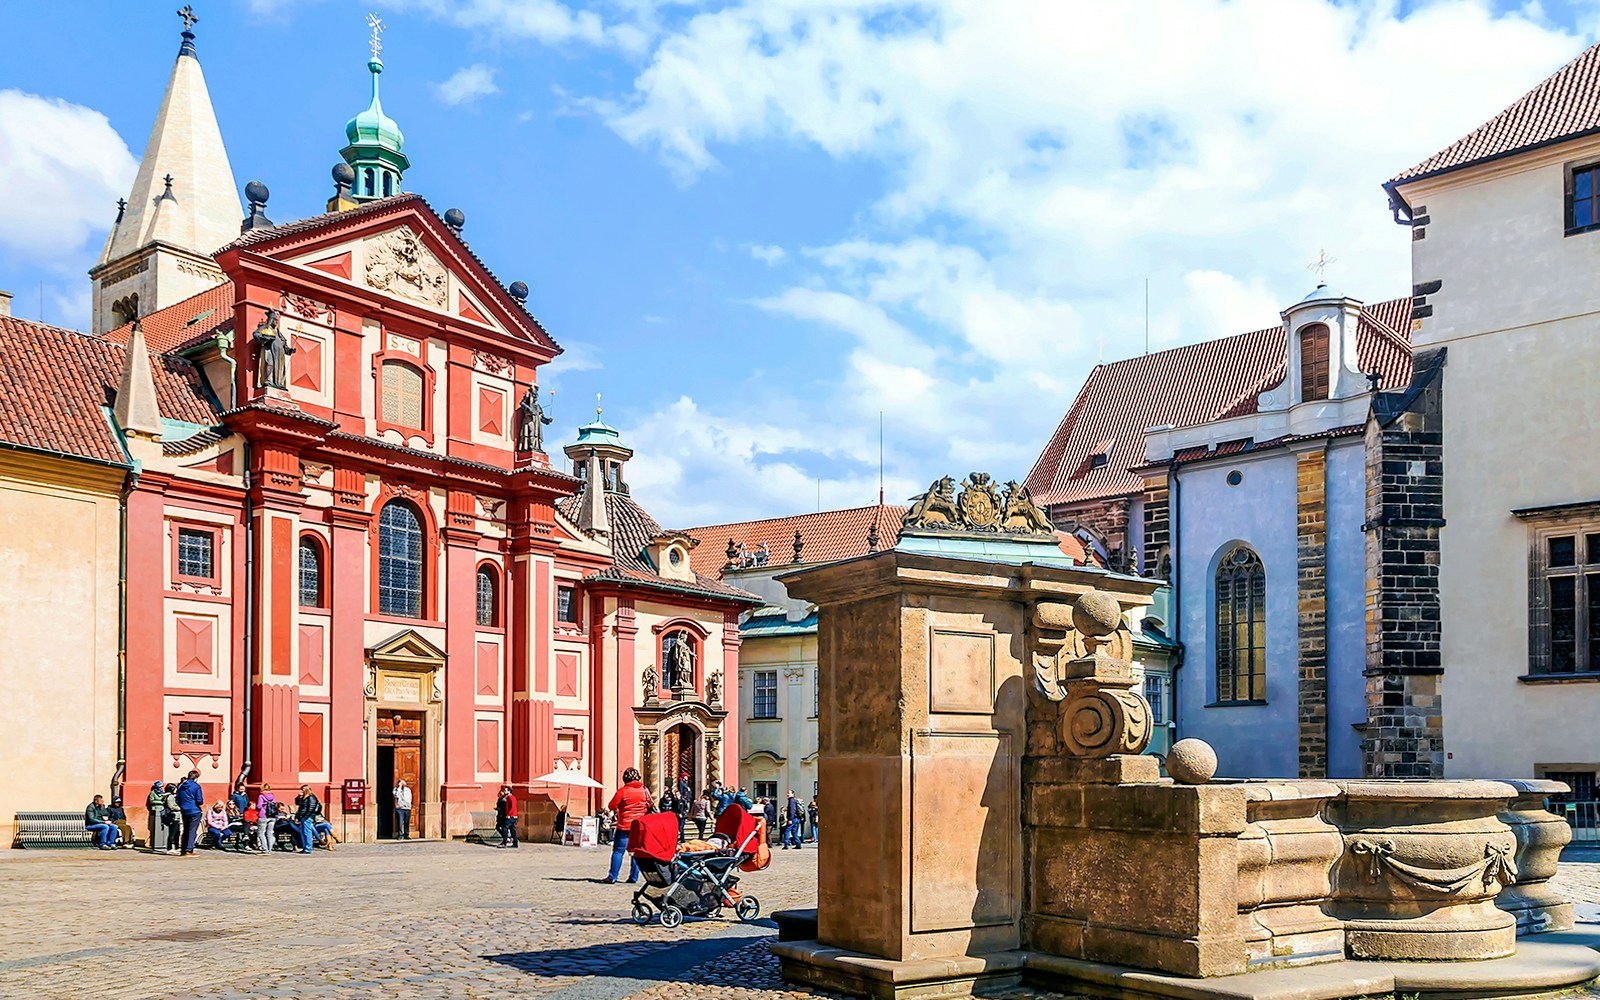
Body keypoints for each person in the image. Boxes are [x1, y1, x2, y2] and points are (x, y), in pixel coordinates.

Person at [603, 767, 652, 884]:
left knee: (618, 851)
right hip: (639, 826)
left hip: (624, 825)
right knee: (636, 852)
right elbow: (650, 804)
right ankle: (633, 877)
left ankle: (613, 876)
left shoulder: (623, 791)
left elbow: (612, 806)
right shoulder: (644, 790)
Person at [176, 770, 205, 857]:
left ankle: (183, 849)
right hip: (194, 810)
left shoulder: (181, 786)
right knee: (192, 830)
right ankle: (189, 850)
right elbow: (199, 800)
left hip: (184, 810)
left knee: (185, 830)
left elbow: (177, 799)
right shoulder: (196, 786)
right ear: (196, 778)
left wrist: (182, 806)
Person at [294, 784, 322, 855]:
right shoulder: (304, 798)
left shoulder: (311, 797)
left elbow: (311, 808)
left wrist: (306, 816)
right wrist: (298, 797)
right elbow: (297, 803)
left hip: (307, 817)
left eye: (302, 790)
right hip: (303, 817)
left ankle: (308, 848)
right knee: (303, 832)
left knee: (307, 833)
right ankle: (304, 847)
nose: (301, 792)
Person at [256, 784, 280, 854]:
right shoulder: (272, 796)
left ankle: (265, 849)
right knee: (269, 833)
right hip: (272, 816)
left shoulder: (261, 796)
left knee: (261, 833)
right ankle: (270, 849)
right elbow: (275, 805)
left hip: (263, 816)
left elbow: (259, 806)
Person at [145, 781, 167, 853]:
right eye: (160, 787)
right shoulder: (153, 793)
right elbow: (152, 801)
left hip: (162, 810)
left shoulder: (163, 792)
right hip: (155, 810)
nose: (161, 788)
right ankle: (154, 843)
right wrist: (161, 802)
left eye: (162, 787)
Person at [160, 783, 182, 855]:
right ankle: (169, 848)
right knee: (173, 833)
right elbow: (171, 806)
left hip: (174, 816)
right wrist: (179, 808)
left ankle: (176, 847)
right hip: (173, 815)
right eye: (175, 788)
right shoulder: (170, 797)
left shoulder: (166, 796)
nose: (176, 790)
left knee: (177, 832)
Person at [673, 772, 692, 837]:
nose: (687, 778)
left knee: (686, 808)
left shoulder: (685, 782)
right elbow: (682, 790)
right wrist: (683, 797)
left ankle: (686, 817)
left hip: (687, 798)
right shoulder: (681, 783)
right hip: (685, 799)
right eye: (686, 776)